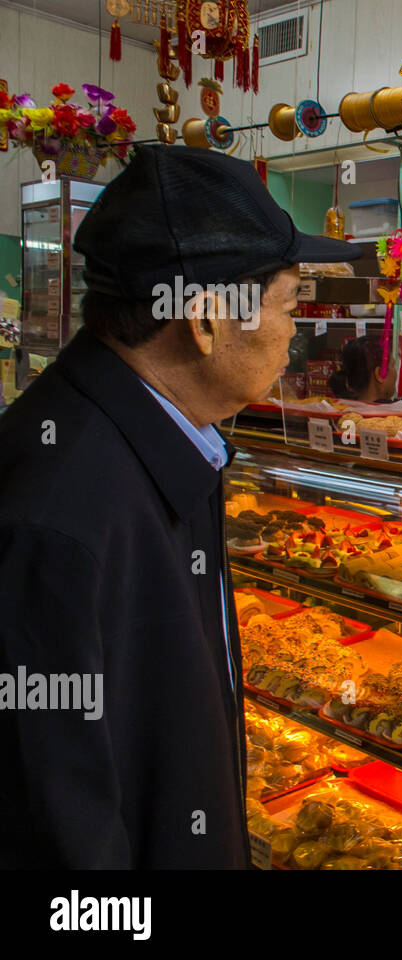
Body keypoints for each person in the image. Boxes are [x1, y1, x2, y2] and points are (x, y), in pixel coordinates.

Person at [0, 146, 360, 868]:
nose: (297, 334)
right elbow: (57, 840)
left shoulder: (156, 441)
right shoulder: (58, 515)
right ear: (204, 321)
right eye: (290, 306)